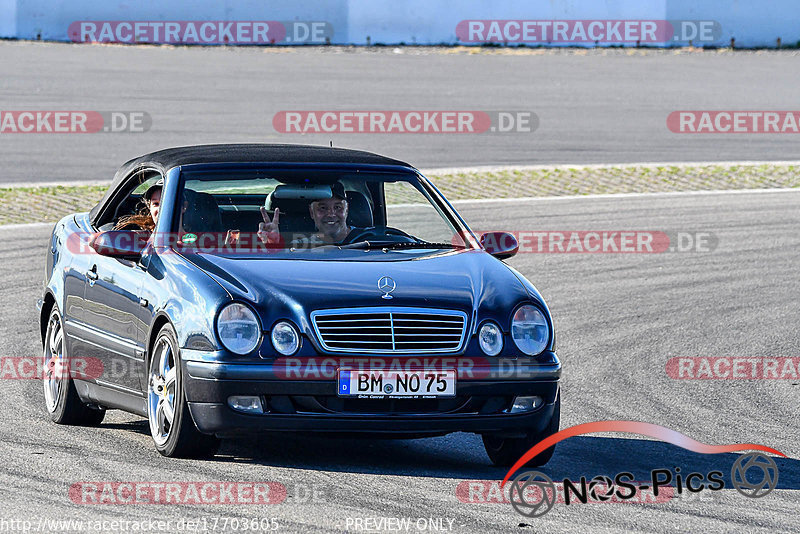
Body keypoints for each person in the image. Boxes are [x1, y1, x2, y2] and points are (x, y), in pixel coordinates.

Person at [257, 182, 364, 247]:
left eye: (337, 207)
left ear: (347, 209)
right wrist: (273, 243)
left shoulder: (371, 239)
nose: (331, 214)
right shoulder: (300, 246)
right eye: (323, 208)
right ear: (312, 212)